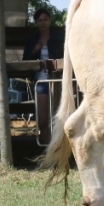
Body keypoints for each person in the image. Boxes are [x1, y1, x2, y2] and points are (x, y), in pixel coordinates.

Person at [23, 8, 65, 144]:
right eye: (40, 20)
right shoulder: (32, 40)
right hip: (40, 82)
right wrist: (35, 50)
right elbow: (25, 61)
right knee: (42, 121)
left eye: (45, 19)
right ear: (36, 22)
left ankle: (59, 147)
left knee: (58, 118)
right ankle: (48, 149)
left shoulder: (58, 37)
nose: (43, 23)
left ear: (49, 21)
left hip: (58, 80)